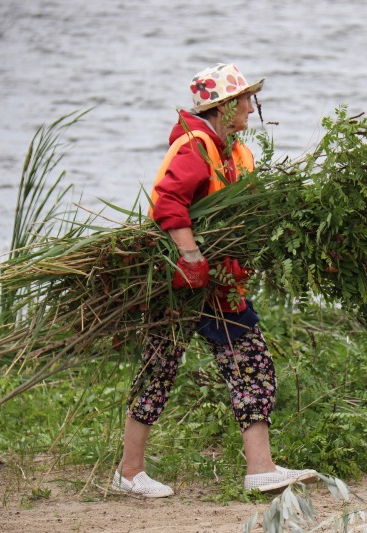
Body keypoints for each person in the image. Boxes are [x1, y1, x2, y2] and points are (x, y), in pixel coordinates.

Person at [112, 63, 317, 497]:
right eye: (244, 99)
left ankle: (260, 469)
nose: (251, 106)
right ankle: (128, 474)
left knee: (252, 363)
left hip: (222, 285)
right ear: (223, 107)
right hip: (181, 283)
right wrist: (189, 256)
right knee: (159, 368)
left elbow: (250, 213)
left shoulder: (236, 150)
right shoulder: (195, 146)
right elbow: (169, 200)